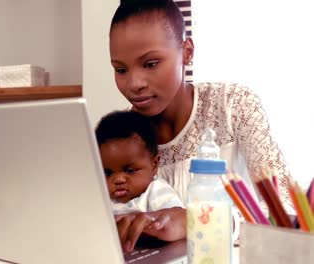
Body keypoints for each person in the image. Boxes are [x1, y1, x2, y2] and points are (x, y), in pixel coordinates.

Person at [108, 0, 294, 251]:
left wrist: (195, 222)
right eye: (121, 69)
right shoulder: (119, 138)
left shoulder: (233, 105)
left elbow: (285, 213)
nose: (134, 83)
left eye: (150, 64)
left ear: (187, 51)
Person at [95, 110, 184, 252]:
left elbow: (172, 217)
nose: (118, 179)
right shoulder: (101, 197)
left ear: (154, 165)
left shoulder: (156, 191)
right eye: (108, 173)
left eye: (130, 171)